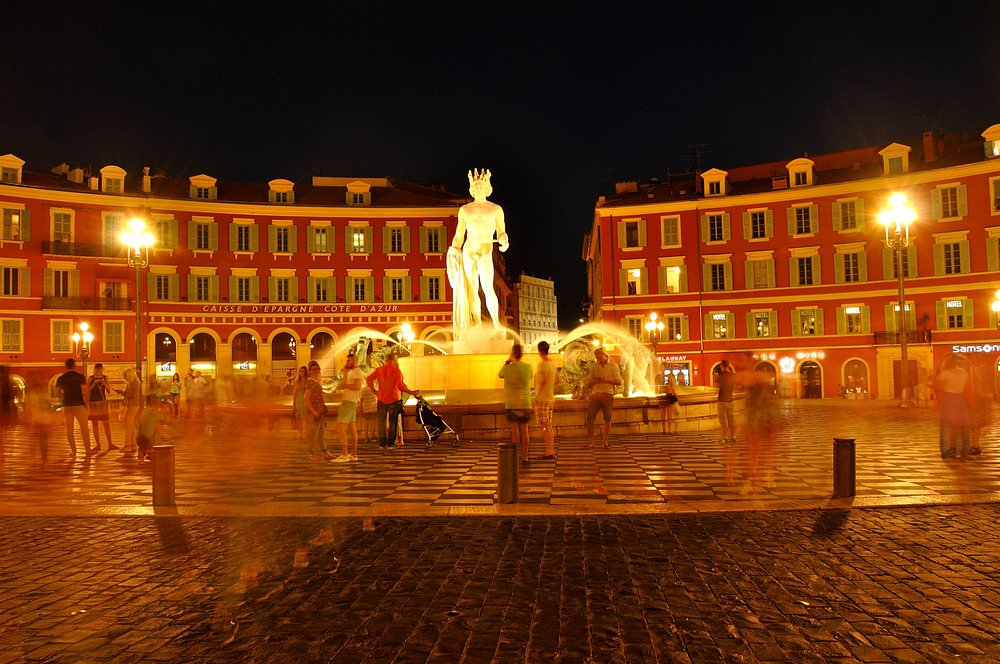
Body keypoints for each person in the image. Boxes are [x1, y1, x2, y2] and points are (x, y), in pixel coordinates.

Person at [447, 168, 509, 333]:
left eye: (481, 186)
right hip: (469, 249)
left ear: (487, 187)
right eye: (475, 186)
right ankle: (477, 324)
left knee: (488, 287)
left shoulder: (496, 209)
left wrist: (504, 241)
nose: (478, 188)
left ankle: (496, 323)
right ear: (471, 188)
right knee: (472, 288)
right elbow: (459, 235)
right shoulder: (465, 210)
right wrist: (454, 248)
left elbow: (501, 232)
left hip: (486, 248)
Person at [365, 353, 419, 449]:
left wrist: (375, 391)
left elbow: (368, 379)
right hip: (393, 399)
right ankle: (390, 444)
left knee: (381, 423)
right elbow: (400, 386)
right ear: (393, 360)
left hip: (381, 399)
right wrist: (412, 392)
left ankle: (382, 444)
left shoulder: (379, 370)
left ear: (386, 360)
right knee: (392, 422)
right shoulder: (396, 371)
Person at [499, 344, 533, 464]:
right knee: (525, 430)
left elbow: (500, 375)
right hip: (525, 403)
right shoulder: (528, 367)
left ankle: (514, 457)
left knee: (515, 431)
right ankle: (525, 457)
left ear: (513, 354)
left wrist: (508, 361)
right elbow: (530, 377)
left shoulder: (507, 368)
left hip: (511, 404)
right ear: (522, 354)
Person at [585, 348, 621, 449]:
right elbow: (589, 381)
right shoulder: (594, 366)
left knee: (608, 419)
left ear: (605, 355)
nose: (598, 359)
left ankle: (605, 441)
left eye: (600, 357)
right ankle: (590, 442)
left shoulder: (613, 366)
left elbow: (619, 382)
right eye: (597, 358)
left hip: (607, 395)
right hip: (595, 395)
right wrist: (596, 381)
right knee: (590, 418)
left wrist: (607, 380)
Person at [936, 356, 971, 459]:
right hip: (961, 398)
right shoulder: (963, 372)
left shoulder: (945, 373)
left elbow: (938, 386)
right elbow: (966, 385)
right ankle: (964, 449)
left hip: (949, 398)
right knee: (963, 425)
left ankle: (947, 450)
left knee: (946, 425)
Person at [55, 358, 90, 456]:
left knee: (69, 430)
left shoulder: (61, 378)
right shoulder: (80, 377)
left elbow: (57, 392)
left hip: (67, 405)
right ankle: (87, 449)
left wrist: (64, 393)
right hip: (79, 404)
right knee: (84, 428)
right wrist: (86, 403)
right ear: (74, 365)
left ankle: (74, 451)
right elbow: (85, 391)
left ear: (66, 366)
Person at [334, 354, 364, 462]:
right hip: (350, 401)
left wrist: (345, 385)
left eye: (349, 360)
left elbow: (357, 386)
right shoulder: (351, 372)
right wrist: (345, 374)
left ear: (354, 361)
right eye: (346, 360)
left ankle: (344, 454)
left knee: (340, 426)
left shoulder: (357, 371)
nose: (346, 362)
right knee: (352, 428)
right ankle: (353, 455)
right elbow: (343, 384)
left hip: (349, 401)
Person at [304, 360, 333, 462]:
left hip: (319, 411)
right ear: (310, 371)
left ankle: (325, 452)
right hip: (314, 412)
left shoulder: (315, 381)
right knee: (313, 434)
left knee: (321, 432)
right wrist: (313, 411)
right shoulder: (310, 382)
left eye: (318, 369)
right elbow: (306, 398)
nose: (316, 371)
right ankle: (312, 454)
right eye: (314, 369)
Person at [533, 340, 557, 460]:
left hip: (542, 398)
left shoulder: (542, 364)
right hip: (550, 398)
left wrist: (535, 397)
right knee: (549, 426)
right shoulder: (552, 363)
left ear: (539, 350)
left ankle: (549, 451)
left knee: (545, 426)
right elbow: (556, 381)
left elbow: (541, 381)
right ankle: (551, 449)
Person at [86, 363, 118, 452]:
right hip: (93, 403)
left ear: (102, 370)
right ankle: (98, 445)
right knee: (95, 424)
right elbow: (86, 391)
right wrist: (94, 383)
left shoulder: (105, 378)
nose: (98, 372)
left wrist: (104, 383)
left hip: (102, 402)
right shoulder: (90, 378)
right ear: (94, 370)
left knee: (106, 424)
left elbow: (109, 391)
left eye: (100, 371)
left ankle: (110, 444)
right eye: (97, 370)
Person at [117, 367, 142, 457]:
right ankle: (133, 444)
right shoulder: (135, 383)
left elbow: (133, 395)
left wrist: (122, 393)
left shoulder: (133, 384)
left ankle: (127, 445)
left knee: (128, 425)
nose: (125, 377)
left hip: (132, 405)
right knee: (130, 425)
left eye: (125, 375)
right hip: (134, 405)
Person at [136, 393, 165, 462]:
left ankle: (142, 451)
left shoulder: (144, 411)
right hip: (148, 439)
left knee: (149, 431)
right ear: (156, 402)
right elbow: (166, 420)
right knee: (156, 439)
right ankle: (150, 452)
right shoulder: (155, 412)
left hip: (138, 438)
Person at [717, 360, 737, 443]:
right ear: (728, 366)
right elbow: (734, 386)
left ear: (723, 366)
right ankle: (733, 436)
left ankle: (724, 437)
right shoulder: (733, 375)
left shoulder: (721, 376)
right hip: (730, 400)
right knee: (731, 419)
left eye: (721, 367)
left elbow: (717, 386)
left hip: (722, 400)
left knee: (723, 420)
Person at [0, 365, 16, 463]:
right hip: (5, 409)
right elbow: (11, 397)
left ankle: (1, 450)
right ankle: (2, 449)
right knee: (3, 431)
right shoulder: (7, 383)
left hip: (4, 409)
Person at [292, 366, 308, 444]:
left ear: (306, 372)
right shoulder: (297, 381)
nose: (301, 373)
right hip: (298, 400)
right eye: (300, 371)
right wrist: (294, 404)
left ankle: (306, 435)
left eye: (303, 371)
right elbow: (294, 393)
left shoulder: (308, 381)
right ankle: (301, 435)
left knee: (305, 419)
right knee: (299, 419)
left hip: (305, 400)